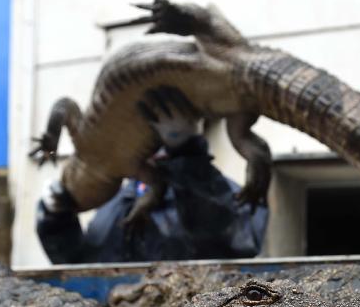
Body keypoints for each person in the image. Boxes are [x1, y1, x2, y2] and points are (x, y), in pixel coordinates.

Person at [36, 87, 268, 264]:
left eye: (153, 128)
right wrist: (57, 219)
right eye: (136, 129)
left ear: (195, 124)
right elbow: (79, 263)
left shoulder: (239, 199)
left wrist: (187, 156)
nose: (147, 140)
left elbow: (236, 244)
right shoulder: (119, 199)